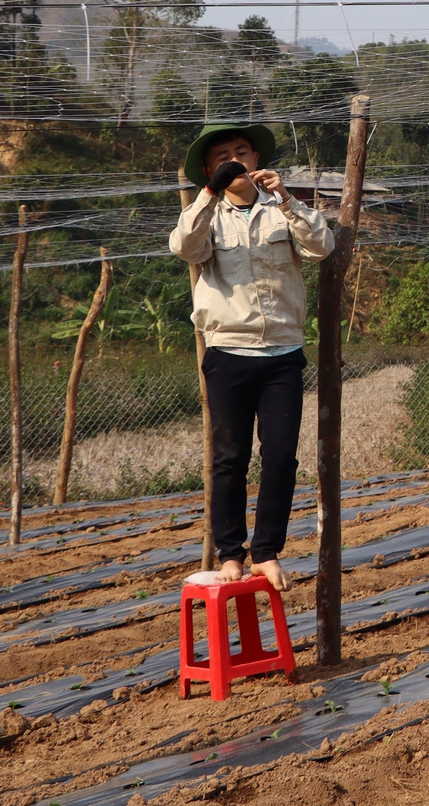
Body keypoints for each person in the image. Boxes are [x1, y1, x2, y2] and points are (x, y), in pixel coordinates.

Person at [170, 123, 334, 589]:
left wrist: (288, 198)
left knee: (281, 456)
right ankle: (231, 555)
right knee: (230, 458)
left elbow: (322, 246)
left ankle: (266, 551)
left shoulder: (280, 211)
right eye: (223, 157)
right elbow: (183, 248)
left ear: (258, 159)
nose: (235, 161)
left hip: (282, 352)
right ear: (209, 170)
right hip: (228, 352)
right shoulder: (207, 217)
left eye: (242, 152)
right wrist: (208, 194)